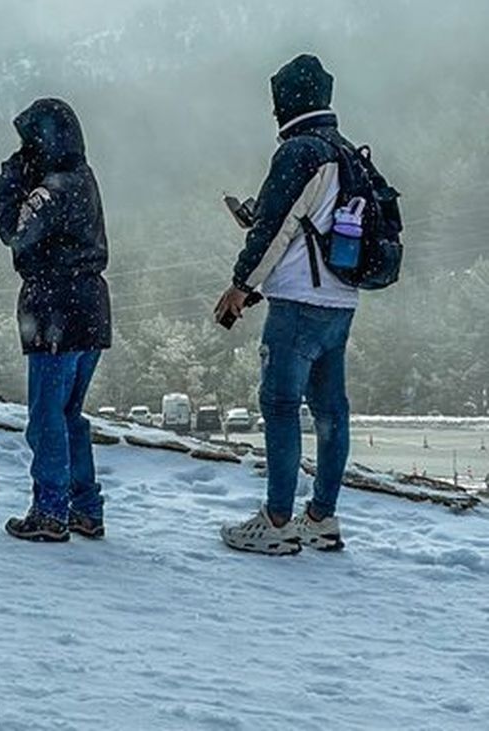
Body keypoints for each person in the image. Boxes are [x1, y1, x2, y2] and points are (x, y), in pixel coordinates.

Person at [214, 54, 354, 555]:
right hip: (342, 298)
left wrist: (241, 286)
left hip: (298, 300)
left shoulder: (299, 151)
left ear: (285, 101)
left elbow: (276, 229)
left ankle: (275, 521)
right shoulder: (345, 150)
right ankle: (321, 517)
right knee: (332, 411)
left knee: (278, 406)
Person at [0, 99, 113, 543]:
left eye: (28, 141)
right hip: (92, 304)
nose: (24, 150)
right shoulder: (83, 177)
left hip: (55, 306)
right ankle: (85, 507)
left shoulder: (52, 188)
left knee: (46, 417)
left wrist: (9, 180)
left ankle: (49, 511)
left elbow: (14, 230)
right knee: (69, 415)